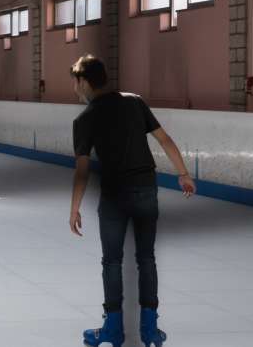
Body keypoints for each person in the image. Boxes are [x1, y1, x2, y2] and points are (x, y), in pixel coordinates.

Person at [68, 55, 195, 347]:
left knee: (112, 261)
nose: (75, 89)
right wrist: (183, 173)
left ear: (84, 82)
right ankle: (150, 329)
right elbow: (164, 139)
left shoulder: (84, 119)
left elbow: (82, 170)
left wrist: (74, 208)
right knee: (146, 258)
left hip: (114, 195)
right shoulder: (134, 102)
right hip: (145, 189)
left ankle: (113, 329)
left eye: (75, 82)